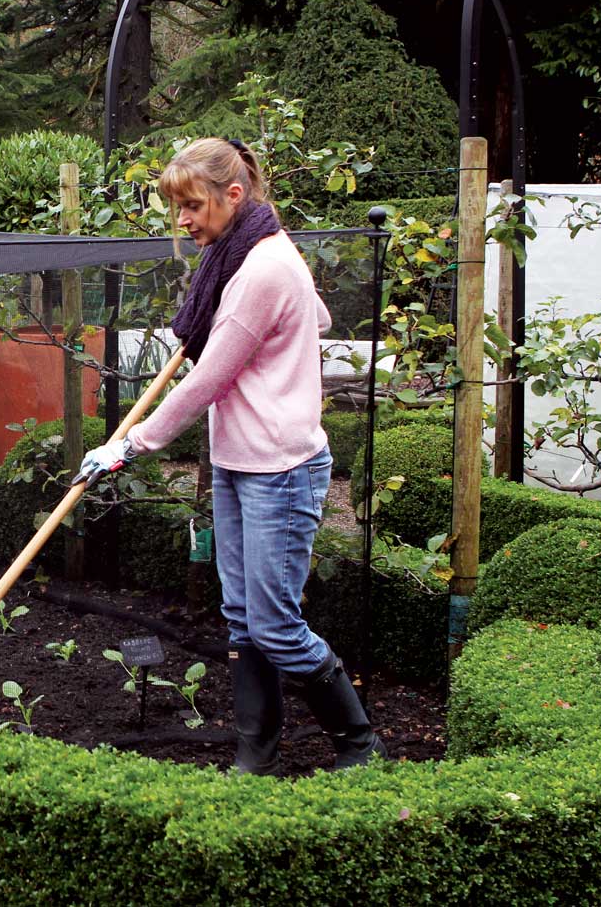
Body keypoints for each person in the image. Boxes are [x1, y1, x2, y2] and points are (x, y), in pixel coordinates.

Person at [76, 137, 384, 774]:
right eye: (178, 207)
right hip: (240, 463)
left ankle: (361, 746)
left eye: (192, 205)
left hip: (281, 468)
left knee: (273, 626)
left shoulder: (262, 268)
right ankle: (256, 754)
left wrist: (129, 445)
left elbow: (208, 380)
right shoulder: (248, 254)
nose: (183, 220)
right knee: (242, 619)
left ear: (233, 195)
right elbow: (320, 316)